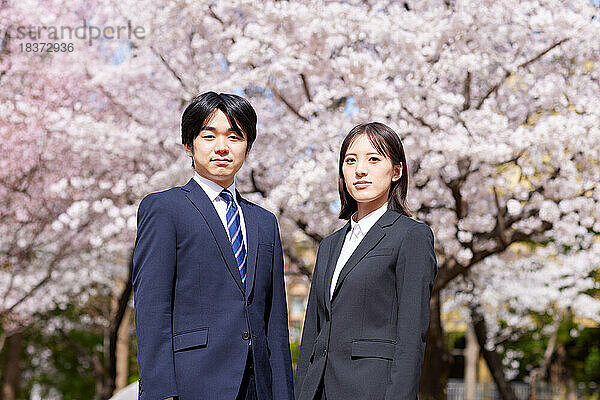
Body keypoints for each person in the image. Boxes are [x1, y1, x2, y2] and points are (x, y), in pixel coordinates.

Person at [132, 92, 294, 400]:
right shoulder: (165, 209)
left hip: (258, 387)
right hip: (193, 383)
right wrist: (160, 392)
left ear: (248, 147)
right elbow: (152, 307)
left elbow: (275, 321)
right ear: (188, 146)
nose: (222, 147)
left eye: (235, 137)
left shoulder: (264, 222)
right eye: (209, 136)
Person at [294, 122, 437, 400]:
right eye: (351, 160)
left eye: (374, 159)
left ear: (397, 171)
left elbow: (410, 339)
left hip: (372, 390)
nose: (360, 170)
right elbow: (313, 334)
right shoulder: (329, 246)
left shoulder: (411, 236)